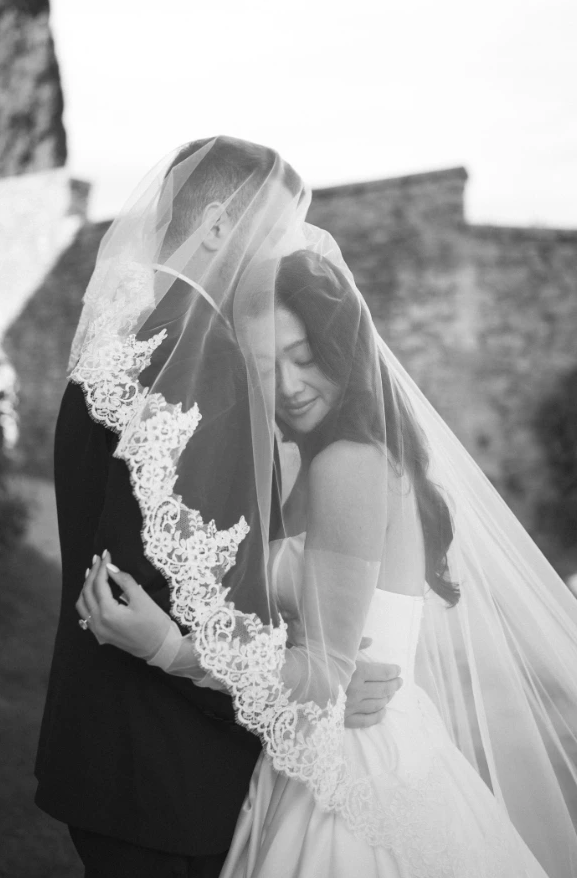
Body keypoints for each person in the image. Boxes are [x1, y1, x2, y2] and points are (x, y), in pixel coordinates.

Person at [77, 154, 577, 877]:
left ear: (346, 354)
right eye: (272, 363)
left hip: (359, 768)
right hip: (315, 750)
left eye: (309, 355)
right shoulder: (309, 462)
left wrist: (168, 647)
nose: (294, 384)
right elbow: (300, 630)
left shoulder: (350, 461)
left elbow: (326, 678)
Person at [35, 137, 402, 878]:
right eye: (270, 234)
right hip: (172, 777)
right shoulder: (207, 371)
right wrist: (312, 694)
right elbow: (174, 610)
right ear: (214, 227)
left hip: (99, 752)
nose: (277, 260)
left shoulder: (109, 352)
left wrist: (307, 649)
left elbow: (164, 571)